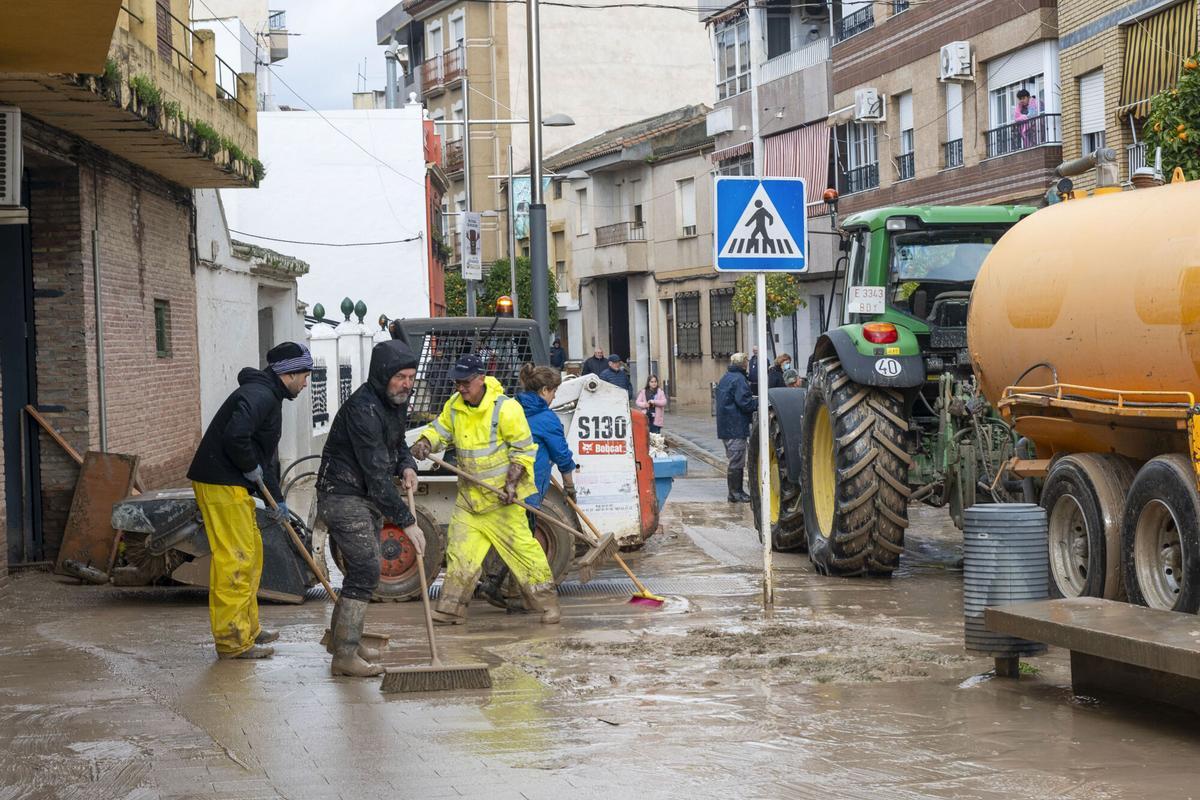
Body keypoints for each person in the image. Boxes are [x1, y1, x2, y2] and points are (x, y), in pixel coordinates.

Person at [410, 354, 560, 625]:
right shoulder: (455, 406)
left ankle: (548, 605)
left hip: (502, 503)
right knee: (460, 555)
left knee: (527, 556)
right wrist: (425, 441)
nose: (461, 388)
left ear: (481, 379)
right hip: (470, 502)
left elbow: (524, 450)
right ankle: (451, 609)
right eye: (457, 382)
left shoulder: (505, 409)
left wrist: (511, 484)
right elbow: (440, 430)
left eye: (466, 382)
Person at [187, 342, 313, 660]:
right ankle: (232, 641)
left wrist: (278, 500)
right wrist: (247, 465)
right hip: (221, 482)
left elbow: (263, 458)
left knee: (252, 554)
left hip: (232, 484)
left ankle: (248, 628)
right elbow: (235, 437)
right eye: (305, 374)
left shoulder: (269, 396)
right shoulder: (261, 396)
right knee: (236, 559)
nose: (306, 382)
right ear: (289, 373)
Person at [315, 339, 426, 677]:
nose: (407, 384)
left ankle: (343, 641)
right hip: (343, 494)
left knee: (362, 571)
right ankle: (345, 655)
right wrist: (408, 522)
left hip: (362, 496)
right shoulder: (363, 410)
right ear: (382, 375)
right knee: (366, 570)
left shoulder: (393, 404)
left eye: (411, 377)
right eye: (400, 377)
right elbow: (377, 475)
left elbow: (398, 444)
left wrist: (407, 465)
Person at [479, 364, 579, 610]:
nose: (555, 396)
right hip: (528, 490)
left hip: (500, 484)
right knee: (524, 542)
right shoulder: (546, 419)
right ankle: (523, 597)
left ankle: (499, 587)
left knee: (510, 538)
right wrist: (569, 486)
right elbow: (563, 456)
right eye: (554, 391)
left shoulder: (508, 409)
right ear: (545, 390)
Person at [715, 352, 755, 503]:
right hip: (735, 426)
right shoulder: (739, 379)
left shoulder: (726, 377)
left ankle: (734, 492)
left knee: (734, 459)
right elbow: (745, 403)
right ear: (743, 363)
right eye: (746, 361)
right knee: (737, 460)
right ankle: (736, 492)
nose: (748, 364)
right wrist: (760, 403)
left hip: (726, 426)